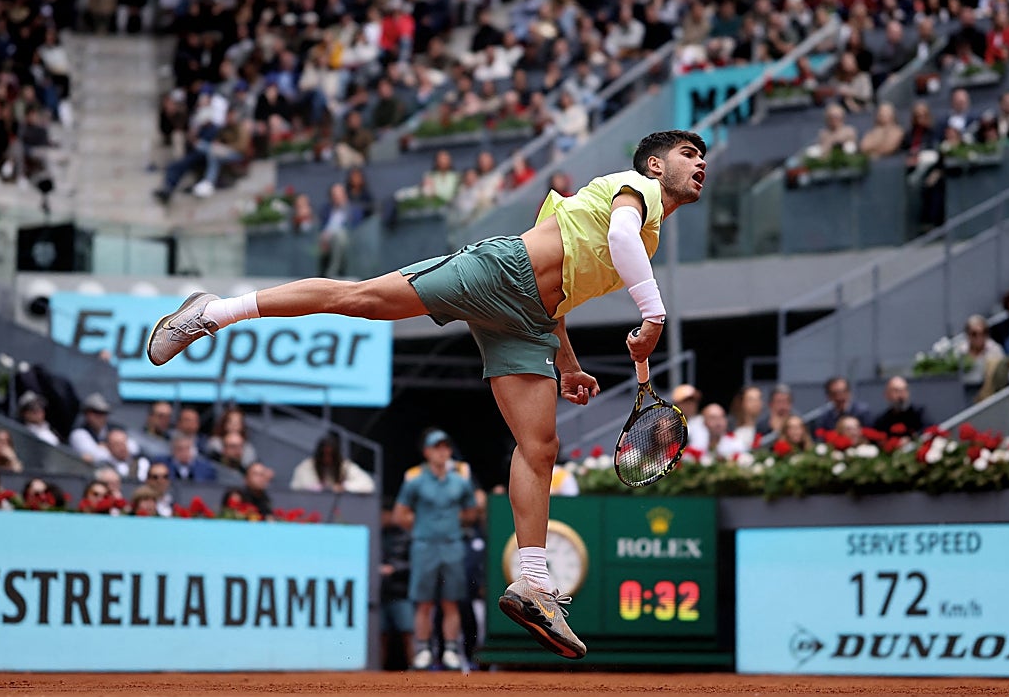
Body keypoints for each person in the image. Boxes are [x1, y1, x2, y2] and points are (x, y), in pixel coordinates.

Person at [145, 129, 709, 660]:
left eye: (701, 156)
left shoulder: (648, 241)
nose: (701, 162)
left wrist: (567, 364)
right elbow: (615, 236)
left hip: (531, 320)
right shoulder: (632, 192)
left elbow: (561, 296)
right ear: (656, 164)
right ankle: (213, 312)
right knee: (361, 300)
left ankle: (534, 581)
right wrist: (654, 314)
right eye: (689, 152)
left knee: (540, 446)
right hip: (499, 272)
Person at [394, 429, 477, 671]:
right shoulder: (416, 481)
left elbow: (471, 512)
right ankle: (423, 650)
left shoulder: (460, 482)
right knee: (424, 602)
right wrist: (421, 528)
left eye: (445, 447)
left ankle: (450, 649)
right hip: (424, 547)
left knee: (451, 601)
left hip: (452, 546)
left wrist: (451, 525)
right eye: (436, 448)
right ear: (427, 452)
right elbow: (400, 514)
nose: (442, 452)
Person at [379, 503, 414, 669]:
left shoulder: (407, 536)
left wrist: (394, 569)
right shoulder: (377, 535)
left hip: (401, 594)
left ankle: (415, 670)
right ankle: (377, 670)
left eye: (386, 513)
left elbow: (414, 564)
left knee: (407, 633)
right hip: (380, 595)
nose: (383, 517)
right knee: (381, 635)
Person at [290, 431, 376, 493]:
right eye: (324, 455)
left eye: (331, 455)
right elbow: (296, 487)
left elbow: (368, 485)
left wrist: (344, 487)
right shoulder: (306, 466)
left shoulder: (345, 466)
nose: (327, 459)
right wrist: (318, 488)